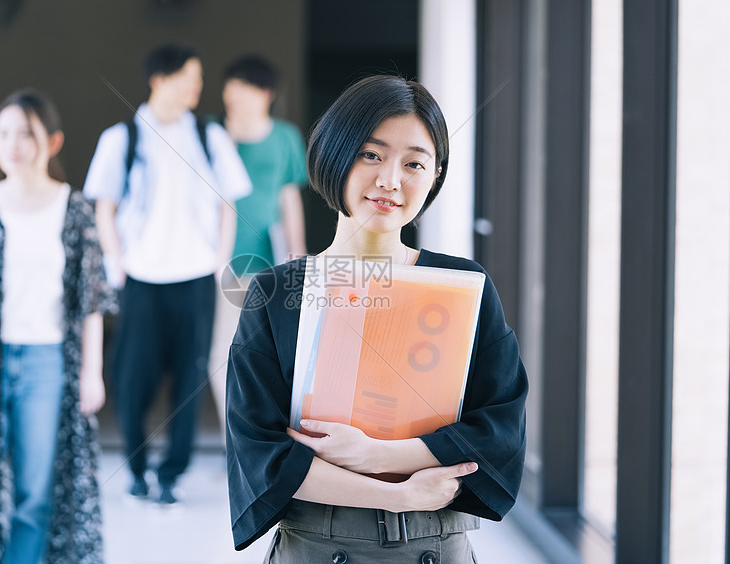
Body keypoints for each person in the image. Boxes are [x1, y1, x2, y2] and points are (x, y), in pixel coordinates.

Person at [226, 75, 528, 562]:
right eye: (371, 154)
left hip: (437, 548)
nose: (391, 179)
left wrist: (381, 456)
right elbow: (259, 453)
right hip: (318, 549)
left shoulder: (464, 288)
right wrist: (398, 495)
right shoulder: (277, 293)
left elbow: (500, 429)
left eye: (414, 163)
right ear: (334, 154)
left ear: (435, 175)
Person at [0, 89, 116, 563]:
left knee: (35, 490)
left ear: (51, 142)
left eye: (24, 133)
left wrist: (92, 373)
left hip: (48, 362)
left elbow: (92, 298)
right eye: (3, 133)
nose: (11, 143)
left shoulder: (73, 210)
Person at [83, 43, 251, 504]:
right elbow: (104, 207)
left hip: (195, 277)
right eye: (189, 77)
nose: (197, 87)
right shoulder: (122, 137)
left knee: (189, 377)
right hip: (139, 277)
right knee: (132, 377)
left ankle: (170, 475)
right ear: (160, 78)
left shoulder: (209, 135)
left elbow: (228, 203)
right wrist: (116, 263)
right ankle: (136, 469)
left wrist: (219, 262)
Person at [208, 55, 308, 434]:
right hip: (224, 263)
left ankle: (271, 437)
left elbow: (288, 198)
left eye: (244, 86)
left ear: (265, 93)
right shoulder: (213, 132)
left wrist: (297, 253)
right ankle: (233, 441)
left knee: (273, 354)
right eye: (230, 84)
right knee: (222, 355)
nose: (233, 93)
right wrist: (226, 140)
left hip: (271, 262)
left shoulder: (284, 136)